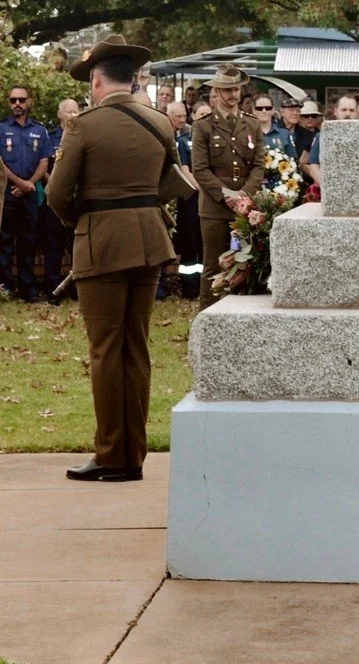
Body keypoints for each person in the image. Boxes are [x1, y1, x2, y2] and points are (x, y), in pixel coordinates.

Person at [46, 36, 179, 481]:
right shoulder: (161, 122)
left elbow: (57, 194)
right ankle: (133, 456)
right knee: (135, 348)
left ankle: (110, 455)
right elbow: (170, 180)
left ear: (98, 80)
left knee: (105, 351)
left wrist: (82, 222)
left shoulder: (84, 125)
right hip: (150, 240)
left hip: (102, 242)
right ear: (134, 77)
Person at [191, 65, 266, 309]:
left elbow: (258, 165)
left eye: (236, 89)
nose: (233, 94)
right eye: (227, 89)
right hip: (214, 207)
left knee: (243, 262)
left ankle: (239, 314)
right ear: (216, 92)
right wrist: (226, 195)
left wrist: (244, 195)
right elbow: (200, 170)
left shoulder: (252, 125)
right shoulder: (203, 126)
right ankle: (207, 316)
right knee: (213, 264)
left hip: (244, 208)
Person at [0, 85, 54, 301]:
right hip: (7, 193)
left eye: (21, 100)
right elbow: (0, 163)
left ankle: (28, 289)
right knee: (4, 241)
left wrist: (29, 184)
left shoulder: (40, 131)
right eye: (13, 100)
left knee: (28, 242)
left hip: (30, 194)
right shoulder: (1, 129)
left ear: (29, 101)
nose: (17, 105)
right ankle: (5, 288)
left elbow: (44, 161)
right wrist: (19, 183)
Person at [40, 98, 80, 301]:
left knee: (77, 247)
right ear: (60, 114)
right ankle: (53, 289)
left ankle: (77, 290)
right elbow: (44, 166)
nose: (73, 115)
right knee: (53, 246)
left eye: (76, 111)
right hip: (54, 200)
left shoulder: (83, 135)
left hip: (77, 201)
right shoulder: (50, 136)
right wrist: (55, 187)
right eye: (68, 111)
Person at [166, 100, 201, 300]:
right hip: (188, 196)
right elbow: (184, 169)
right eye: (177, 116)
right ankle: (189, 288)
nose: (181, 119)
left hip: (208, 197)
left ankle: (205, 285)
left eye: (183, 115)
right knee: (189, 244)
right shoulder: (183, 140)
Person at [306, 92, 359, 191]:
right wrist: (327, 188)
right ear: (336, 111)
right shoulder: (322, 135)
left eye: (351, 110)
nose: (348, 114)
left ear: (357, 112)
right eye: (344, 110)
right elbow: (314, 166)